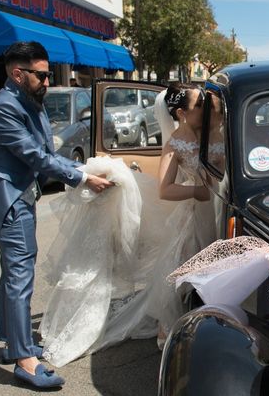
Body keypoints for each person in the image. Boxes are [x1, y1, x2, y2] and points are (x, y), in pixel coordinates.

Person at [37, 82, 217, 366]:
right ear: (182, 113)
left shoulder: (211, 132)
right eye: (199, 105)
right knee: (182, 273)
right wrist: (197, 191)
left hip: (217, 209)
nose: (206, 109)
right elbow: (165, 189)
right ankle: (169, 330)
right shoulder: (175, 144)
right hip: (194, 212)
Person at [0, 41, 113, 388]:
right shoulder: (4, 106)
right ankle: (24, 362)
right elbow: (35, 156)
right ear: (18, 74)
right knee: (19, 277)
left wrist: (83, 168)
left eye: (48, 75)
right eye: (42, 75)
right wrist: (81, 176)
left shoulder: (29, 101)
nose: (48, 82)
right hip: (11, 199)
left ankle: (11, 341)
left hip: (22, 195)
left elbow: (47, 150)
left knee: (14, 274)